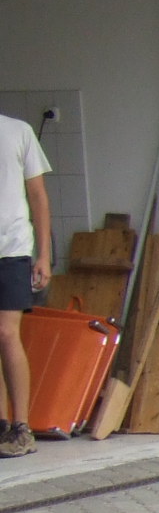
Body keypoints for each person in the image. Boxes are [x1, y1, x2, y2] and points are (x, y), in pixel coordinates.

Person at [0, 105, 52, 459]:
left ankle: (22, 427)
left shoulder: (19, 131)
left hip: (13, 249)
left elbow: (38, 196)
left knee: (6, 333)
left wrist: (44, 255)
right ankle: (3, 425)